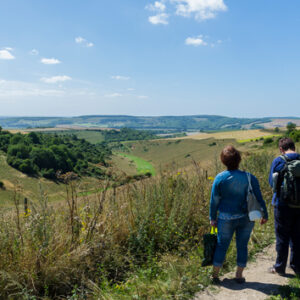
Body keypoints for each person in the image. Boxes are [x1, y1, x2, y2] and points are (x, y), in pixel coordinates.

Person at [210, 145, 268, 284]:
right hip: (247, 217)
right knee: (242, 245)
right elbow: (259, 198)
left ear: (223, 161)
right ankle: (239, 275)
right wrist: (264, 214)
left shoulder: (220, 178)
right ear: (239, 160)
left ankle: (215, 276)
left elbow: (214, 200)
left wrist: (212, 218)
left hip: (225, 218)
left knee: (221, 245)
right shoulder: (249, 177)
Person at [269, 137, 300, 276]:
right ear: (294, 147)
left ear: (281, 149)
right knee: (297, 237)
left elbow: (272, 183)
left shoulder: (278, 161)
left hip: (282, 205)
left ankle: (280, 267)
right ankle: (296, 266)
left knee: (282, 237)